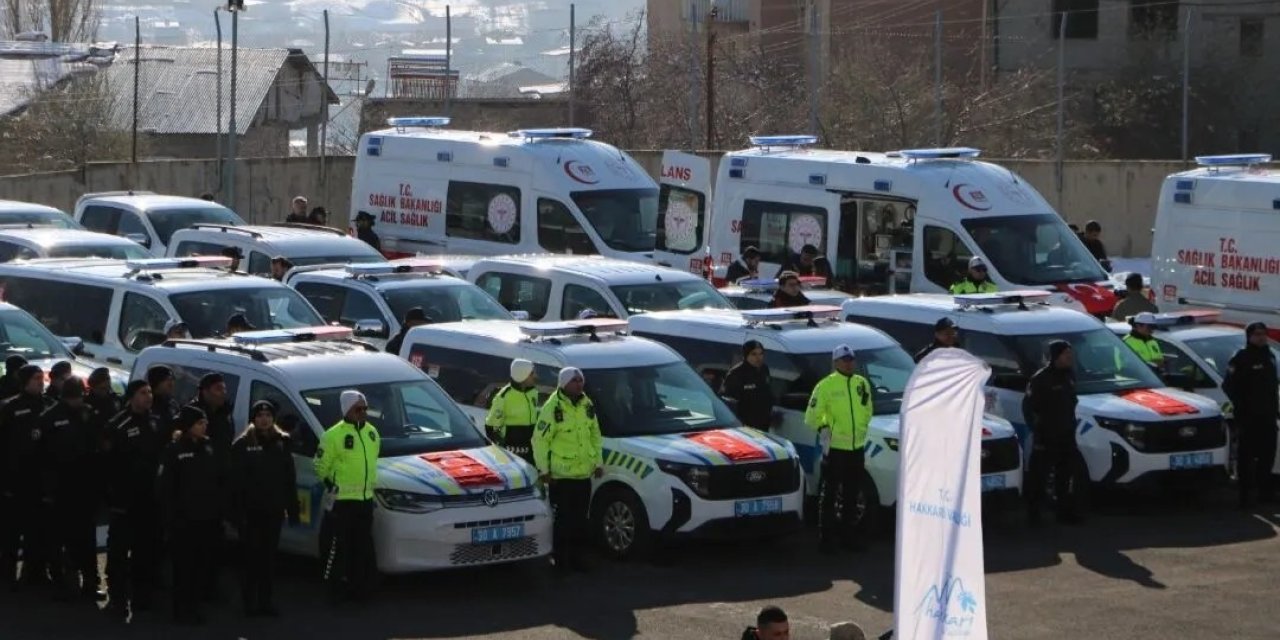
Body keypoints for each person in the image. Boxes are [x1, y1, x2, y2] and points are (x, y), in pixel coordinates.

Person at [230, 400, 299, 617]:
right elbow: (235, 483)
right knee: (251, 559)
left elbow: (289, 478)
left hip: (274, 511)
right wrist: (236, 513)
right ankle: (249, 603)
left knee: (269, 559)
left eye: (268, 415)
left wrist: (293, 508)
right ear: (253, 419)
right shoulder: (242, 444)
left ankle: (266, 602)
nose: (264, 419)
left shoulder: (282, 441)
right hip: (250, 513)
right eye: (260, 416)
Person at [103, 380, 165, 620]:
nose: (148, 396)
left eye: (150, 392)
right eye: (142, 393)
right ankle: (117, 599)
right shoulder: (117, 425)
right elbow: (107, 466)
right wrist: (112, 498)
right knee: (118, 554)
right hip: (124, 502)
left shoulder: (157, 422)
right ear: (131, 397)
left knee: (145, 553)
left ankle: (142, 598)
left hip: (149, 501)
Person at [533, 367, 603, 573]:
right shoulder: (552, 407)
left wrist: (597, 463)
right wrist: (543, 470)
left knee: (581, 520)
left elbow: (595, 435)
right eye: (574, 381)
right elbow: (540, 440)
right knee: (563, 521)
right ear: (564, 384)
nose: (579, 384)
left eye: (581, 380)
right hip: (561, 477)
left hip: (583, 475)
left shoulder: (586, 404)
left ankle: (578, 558)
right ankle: (561, 560)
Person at [806, 345, 872, 553]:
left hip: (856, 447)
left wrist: (861, 428)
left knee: (852, 494)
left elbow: (867, 409)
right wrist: (824, 428)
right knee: (831, 494)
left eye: (851, 359)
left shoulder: (861, 383)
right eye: (844, 360)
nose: (849, 363)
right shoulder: (825, 386)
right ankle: (826, 540)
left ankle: (848, 537)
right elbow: (812, 415)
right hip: (835, 449)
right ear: (835, 362)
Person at [315, 390, 379, 604]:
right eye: (358, 409)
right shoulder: (333, 435)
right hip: (342, 502)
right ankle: (334, 591)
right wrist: (331, 485)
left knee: (362, 547)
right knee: (338, 547)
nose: (363, 413)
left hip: (365, 500)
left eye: (365, 409)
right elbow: (320, 466)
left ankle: (359, 589)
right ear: (347, 409)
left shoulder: (372, 433)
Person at [158, 405, 221, 625]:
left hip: (205, 518)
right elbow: (166, 487)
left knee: (200, 566)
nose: (204, 426)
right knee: (183, 568)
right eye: (199, 423)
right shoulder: (174, 450)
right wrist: (171, 518)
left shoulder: (208, 446)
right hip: (183, 520)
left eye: (205, 422)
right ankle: (181, 609)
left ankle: (194, 606)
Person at [40, 377, 101, 602]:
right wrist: (48, 491)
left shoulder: (88, 414)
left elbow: (97, 448)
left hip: (84, 487)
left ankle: (90, 582)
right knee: (59, 539)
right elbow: (43, 458)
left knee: (86, 539)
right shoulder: (50, 418)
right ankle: (61, 583)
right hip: (60, 489)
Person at [1, 364, 51, 587]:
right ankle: (6, 575)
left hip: (39, 479)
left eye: (42, 378)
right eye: (35, 378)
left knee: (37, 530)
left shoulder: (49, 406)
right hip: (14, 479)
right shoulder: (10, 407)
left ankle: (35, 573)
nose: (40, 382)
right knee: (10, 532)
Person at [1024, 340, 1082, 525]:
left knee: (1065, 476)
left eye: (1070, 354)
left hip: (1066, 435)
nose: (1069, 357)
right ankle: (1034, 515)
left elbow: (1072, 402)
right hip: (1046, 437)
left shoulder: (1069, 375)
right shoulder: (1041, 379)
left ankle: (1064, 513)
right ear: (1056, 356)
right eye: (1066, 354)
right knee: (1039, 478)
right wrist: (1038, 434)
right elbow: (1029, 409)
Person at [1223, 322, 1279, 509]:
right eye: (1257, 334)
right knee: (1246, 457)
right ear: (1249, 336)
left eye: (1264, 333)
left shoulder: (1269, 356)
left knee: (1267, 456)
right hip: (1248, 418)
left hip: (1268, 417)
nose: (1261, 337)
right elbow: (1228, 386)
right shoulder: (1241, 358)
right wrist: (1243, 406)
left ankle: (1265, 493)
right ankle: (1245, 496)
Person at [485, 359, 540, 464]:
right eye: (532, 373)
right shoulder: (503, 397)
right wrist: (503, 448)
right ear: (522, 375)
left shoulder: (533, 392)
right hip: (512, 453)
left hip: (531, 450)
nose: (536, 376)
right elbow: (491, 427)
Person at [720, 340, 775, 430]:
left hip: (763, 423)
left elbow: (767, 392)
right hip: (745, 425)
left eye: (761, 354)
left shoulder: (764, 369)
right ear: (746, 355)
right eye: (754, 354)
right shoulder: (737, 374)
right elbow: (729, 403)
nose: (758, 358)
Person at [148, 365, 180, 437]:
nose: (171, 384)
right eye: (167, 380)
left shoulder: (172, 404)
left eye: (172, 380)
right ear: (156, 381)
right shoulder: (145, 403)